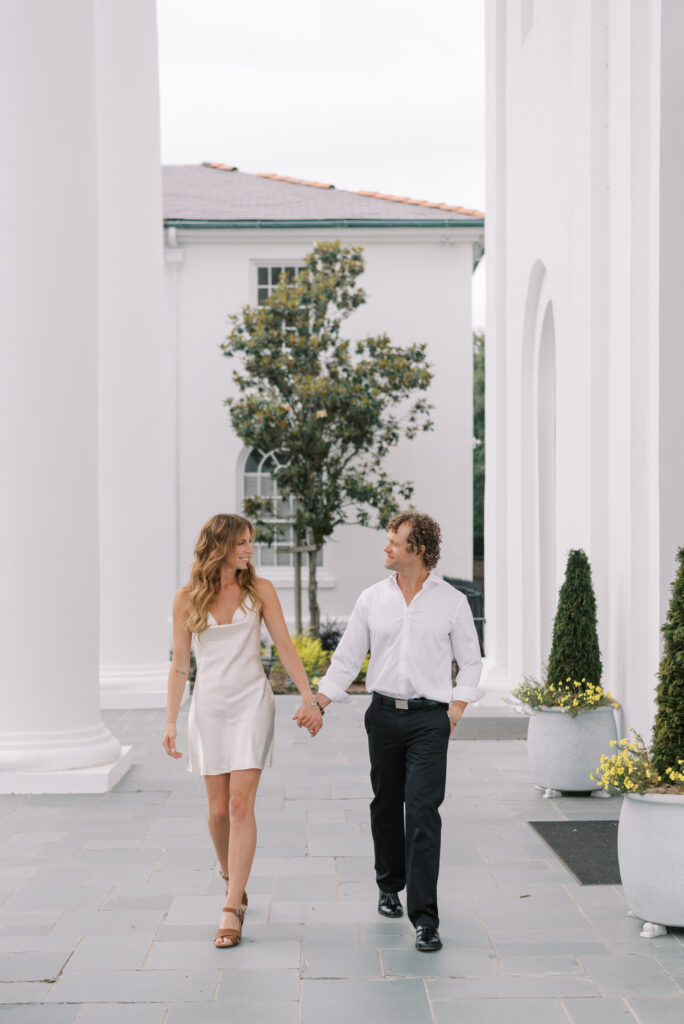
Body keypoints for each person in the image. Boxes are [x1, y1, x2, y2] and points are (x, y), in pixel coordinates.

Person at [315, 512, 482, 951]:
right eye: (388, 540)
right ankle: (389, 883)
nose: (386, 547)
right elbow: (348, 659)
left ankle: (425, 919)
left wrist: (458, 705)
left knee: (424, 813)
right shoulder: (372, 599)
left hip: (431, 720)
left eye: (394, 541)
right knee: (386, 804)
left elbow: (471, 660)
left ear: (419, 549)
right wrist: (320, 701)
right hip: (384, 715)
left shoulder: (451, 601)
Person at [162, 513, 323, 948]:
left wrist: (309, 698)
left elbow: (285, 648)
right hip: (209, 706)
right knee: (217, 811)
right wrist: (171, 720)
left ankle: (231, 908)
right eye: (242, 543)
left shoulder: (260, 590)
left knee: (238, 804)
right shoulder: (186, 599)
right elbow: (180, 664)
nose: (249, 550)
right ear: (220, 545)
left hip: (252, 703)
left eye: (250, 543)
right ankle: (233, 876)